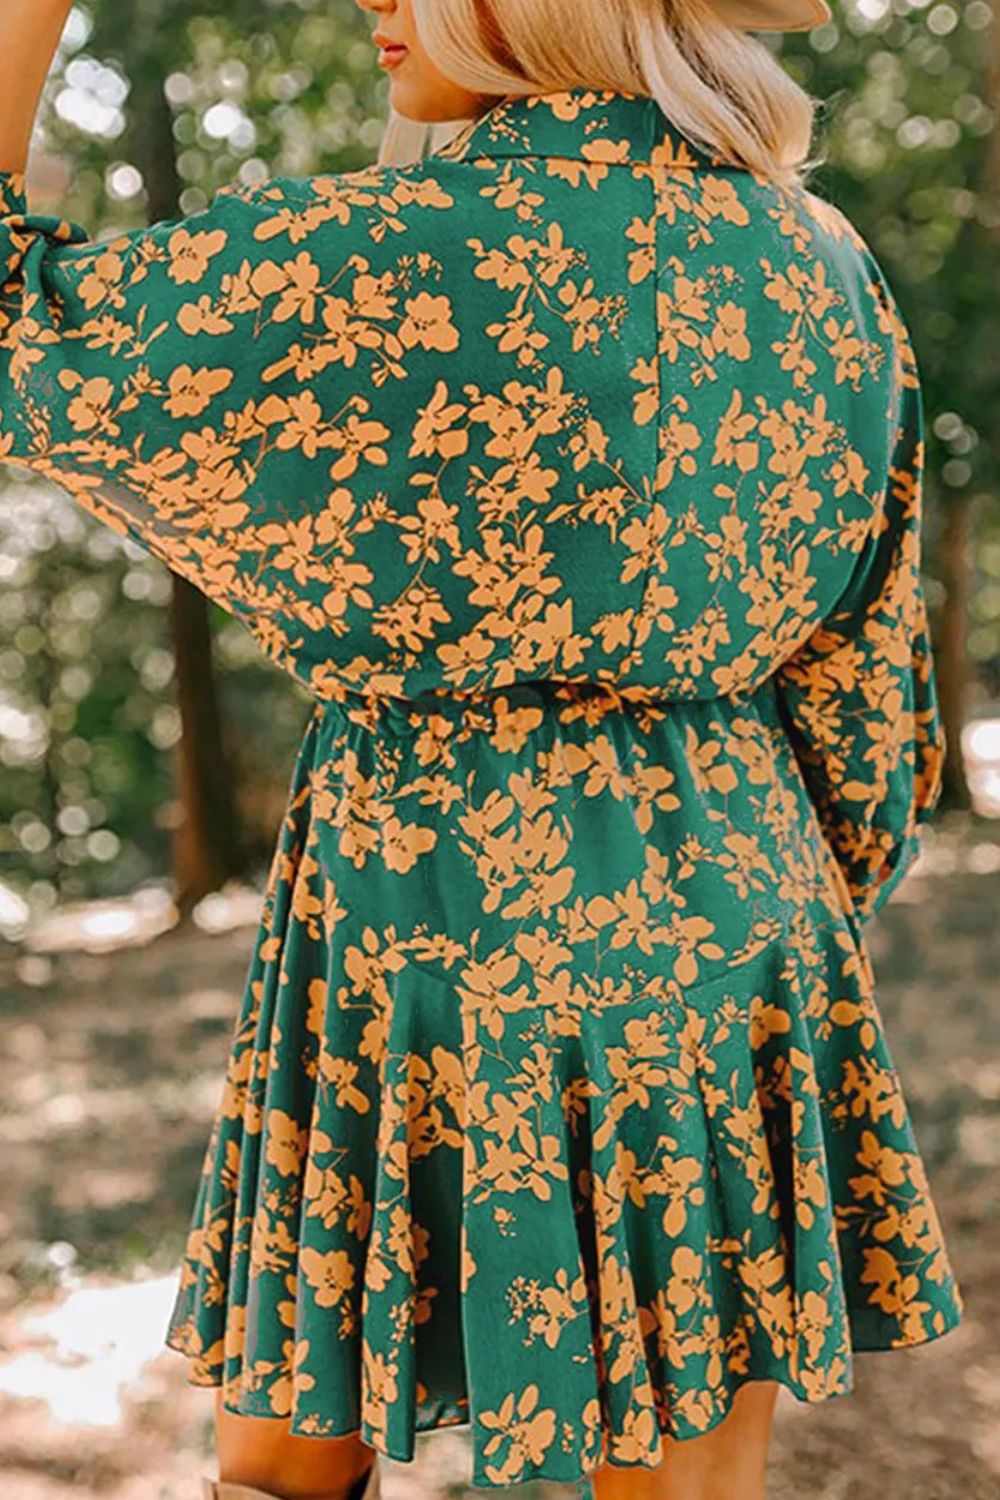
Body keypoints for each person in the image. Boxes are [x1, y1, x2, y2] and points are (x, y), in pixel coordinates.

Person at [0, 1, 965, 1498]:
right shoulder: (822, 265)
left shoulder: (368, 256)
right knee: (678, 1469)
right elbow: (863, 686)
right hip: (729, 909)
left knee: (283, 1462)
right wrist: (792, 922)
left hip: (415, 909)